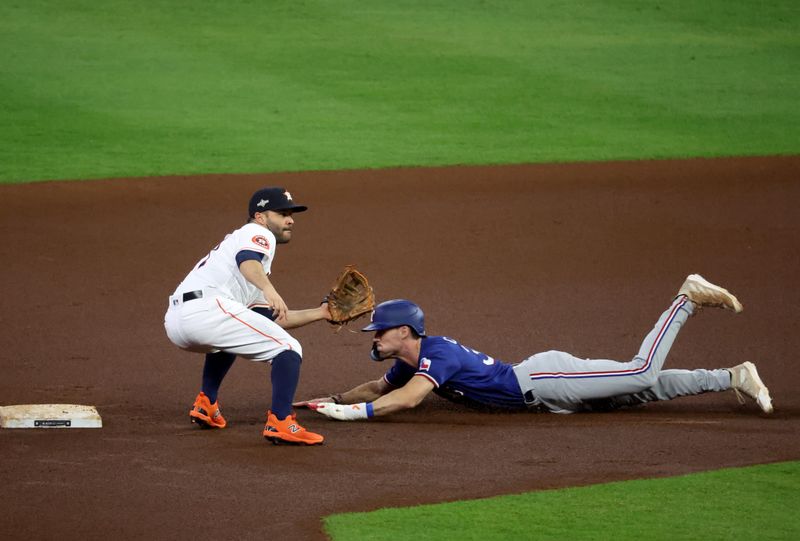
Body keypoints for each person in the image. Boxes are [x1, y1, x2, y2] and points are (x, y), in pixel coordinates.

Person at [297, 274, 773, 421]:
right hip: (548, 397)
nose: (374, 338)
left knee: (643, 371)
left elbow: (409, 398)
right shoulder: (408, 361)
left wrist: (358, 417)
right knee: (645, 390)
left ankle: (685, 298)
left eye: (379, 332)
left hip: (545, 379)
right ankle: (732, 377)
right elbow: (379, 386)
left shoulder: (435, 354)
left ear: (405, 331)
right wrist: (333, 400)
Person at [164, 186, 330, 445]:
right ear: (261, 216)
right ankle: (281, 421)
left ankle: (206, 402)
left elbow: (271, 319)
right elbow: (248, 260)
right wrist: (269, 288)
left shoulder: (244, 269)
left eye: (291, 214)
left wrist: (320, 313)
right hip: (206, 309)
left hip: (179, 321)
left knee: (236, 333)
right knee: (288, 349)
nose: (291, 220)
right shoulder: (256, 233)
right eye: (283, 213)